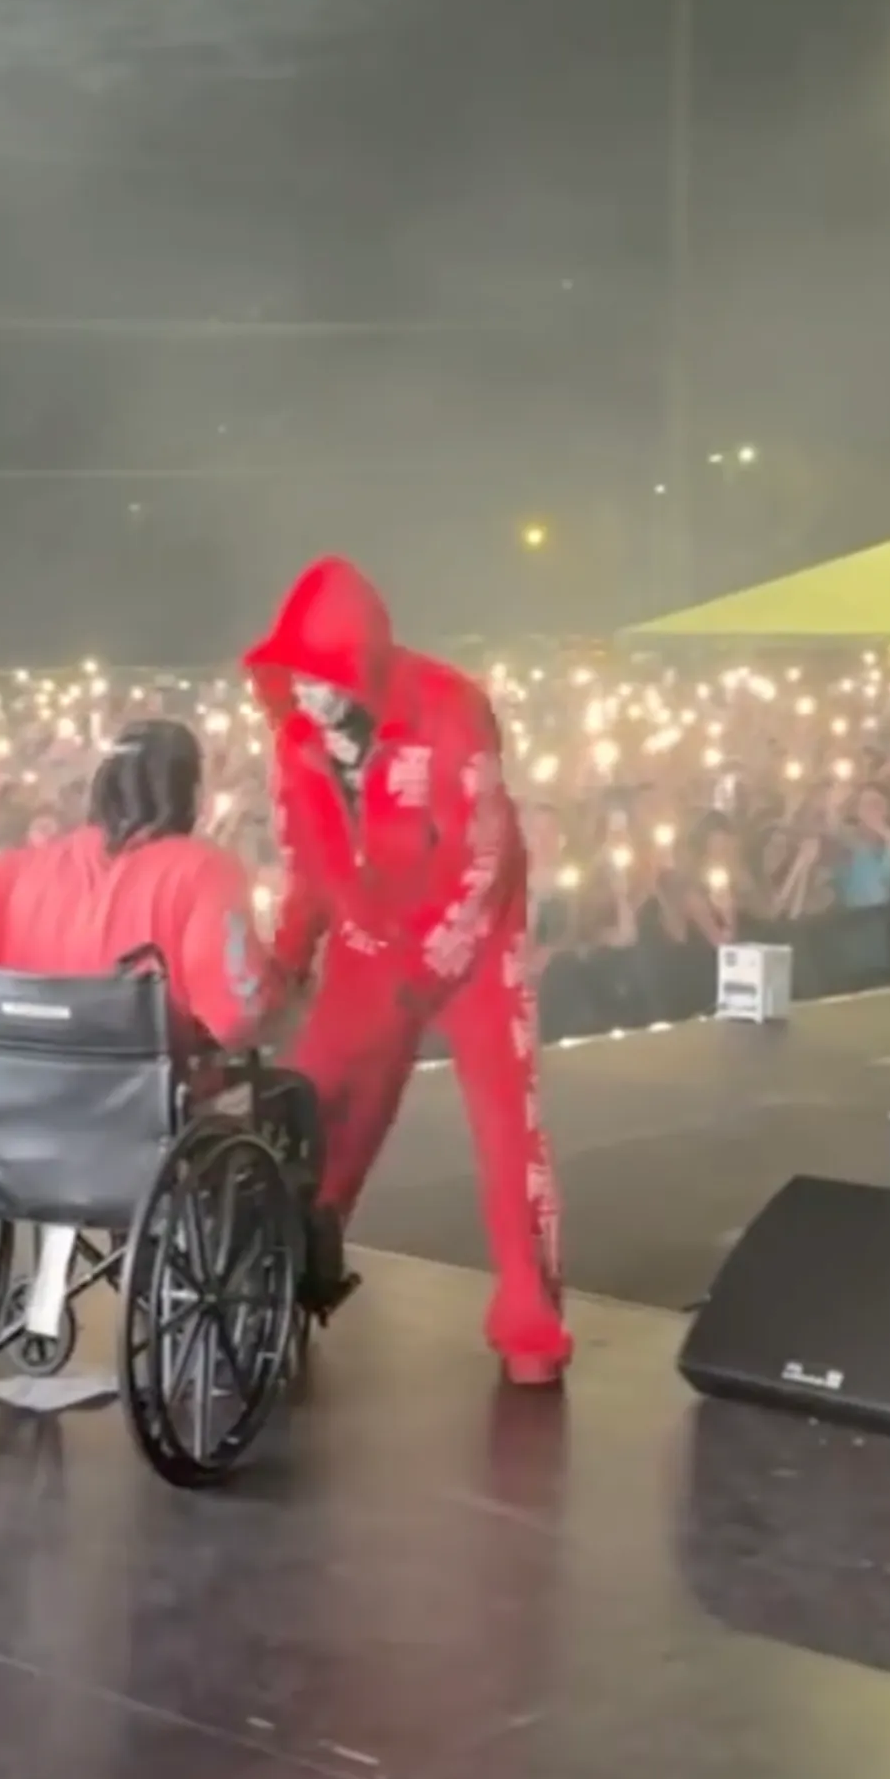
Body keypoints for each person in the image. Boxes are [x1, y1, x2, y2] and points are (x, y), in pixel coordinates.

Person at [245, 555, 572, 1388]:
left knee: (505, 1128)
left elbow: (483, 856)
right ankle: (295, 1262)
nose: (307, 696)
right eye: (295, 678)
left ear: (361, 668)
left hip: (474, 939)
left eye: (322, 678)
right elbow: (309, 868)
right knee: (316, 1100)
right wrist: (285, 963)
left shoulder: (452, 709)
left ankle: (530, 1322)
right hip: (370, 933)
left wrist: (424, 968)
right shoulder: (296, 743)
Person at [0, 719, 271, 1060]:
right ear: (193, 795)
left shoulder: (19, 868)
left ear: (102, 787)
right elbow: (238, 1018)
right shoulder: (207, 870)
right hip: (145, 1104)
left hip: (11, 1093)